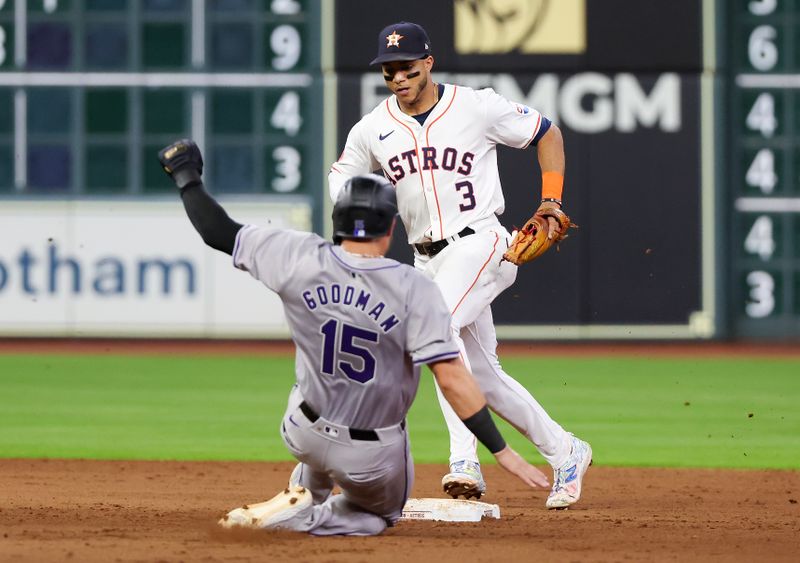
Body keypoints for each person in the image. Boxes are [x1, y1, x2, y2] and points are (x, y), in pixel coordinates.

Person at [157, 139, 549, 536]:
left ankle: (302, 492)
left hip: (302, 429)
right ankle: (305, 517)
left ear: (337, 218)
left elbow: (216, 231)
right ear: (391, 226)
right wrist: (502, 450)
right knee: (380, 515)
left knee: (320, 437)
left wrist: (186, 174)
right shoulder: (414, 289)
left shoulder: (298, 256)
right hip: (370, 454)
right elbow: (451, 378)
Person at [328, 21, 592, 509]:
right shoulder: (373, 127)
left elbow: (547, 133)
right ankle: (567, 450)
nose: (398, 79)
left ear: (428, 63)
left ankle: (464, 462)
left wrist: (551, 199)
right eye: (389, 72)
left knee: (434, 333)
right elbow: (342, 173)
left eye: (407, 69)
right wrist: (354, 205)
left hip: (484, 243)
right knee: (483, 378)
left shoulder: (475, 105)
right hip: (425, 259)